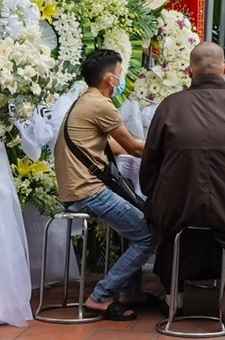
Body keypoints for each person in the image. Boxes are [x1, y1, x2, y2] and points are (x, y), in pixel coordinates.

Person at [141, 42, 225, 326]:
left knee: (171, 225)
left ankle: (175, 295)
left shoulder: (169, 106)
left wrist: (154, 195)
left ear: (189, 71)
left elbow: (150, 164)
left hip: (178, 208)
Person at [55, 48, 155, 321]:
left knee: (132, 227)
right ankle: (101, 296)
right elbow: (133, 147)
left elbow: (110, 145)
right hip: (88, 190)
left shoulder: (84, 100)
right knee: (148, 234)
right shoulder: (101, 105)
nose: (121, 80)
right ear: (110, 79)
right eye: (120, 74)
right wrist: (171, 147)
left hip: (76, 187)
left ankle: (130, 291)